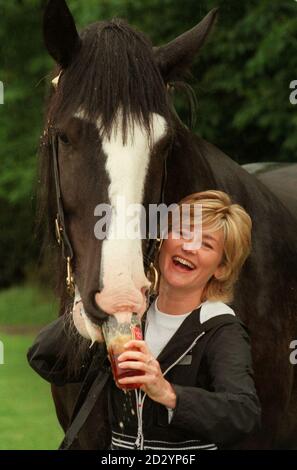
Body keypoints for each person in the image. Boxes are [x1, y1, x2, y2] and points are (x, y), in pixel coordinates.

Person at [27, 190, 261, 450]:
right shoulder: (129, 313)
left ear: (222, 268)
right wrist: (90, 310)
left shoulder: (220, 327)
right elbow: (43, 359)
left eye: (206, 244)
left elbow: (243, 415)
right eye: (183, 232)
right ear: (163, 240)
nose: (189, 246)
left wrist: (168, 393)